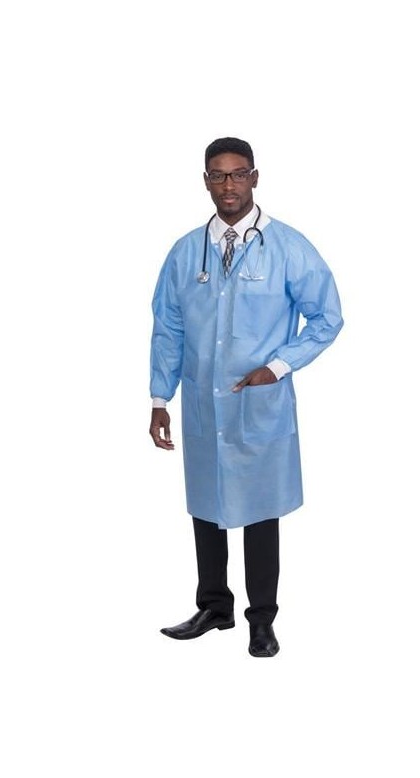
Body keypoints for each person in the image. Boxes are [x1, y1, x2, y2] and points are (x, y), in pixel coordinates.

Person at [148, 136, 343, 657]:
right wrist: (160, 398)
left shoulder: (288, 248)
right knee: (206, 507)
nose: (228, 185)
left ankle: (262, 620)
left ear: (255, 178)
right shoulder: (185, 252)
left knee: (260, 513)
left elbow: (327, 317)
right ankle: (214, 606)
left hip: (258, 406)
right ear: (205, 181)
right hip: (202, 403)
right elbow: (168, 328)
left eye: (238, 174)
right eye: (218, 175)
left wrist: (277, 368)